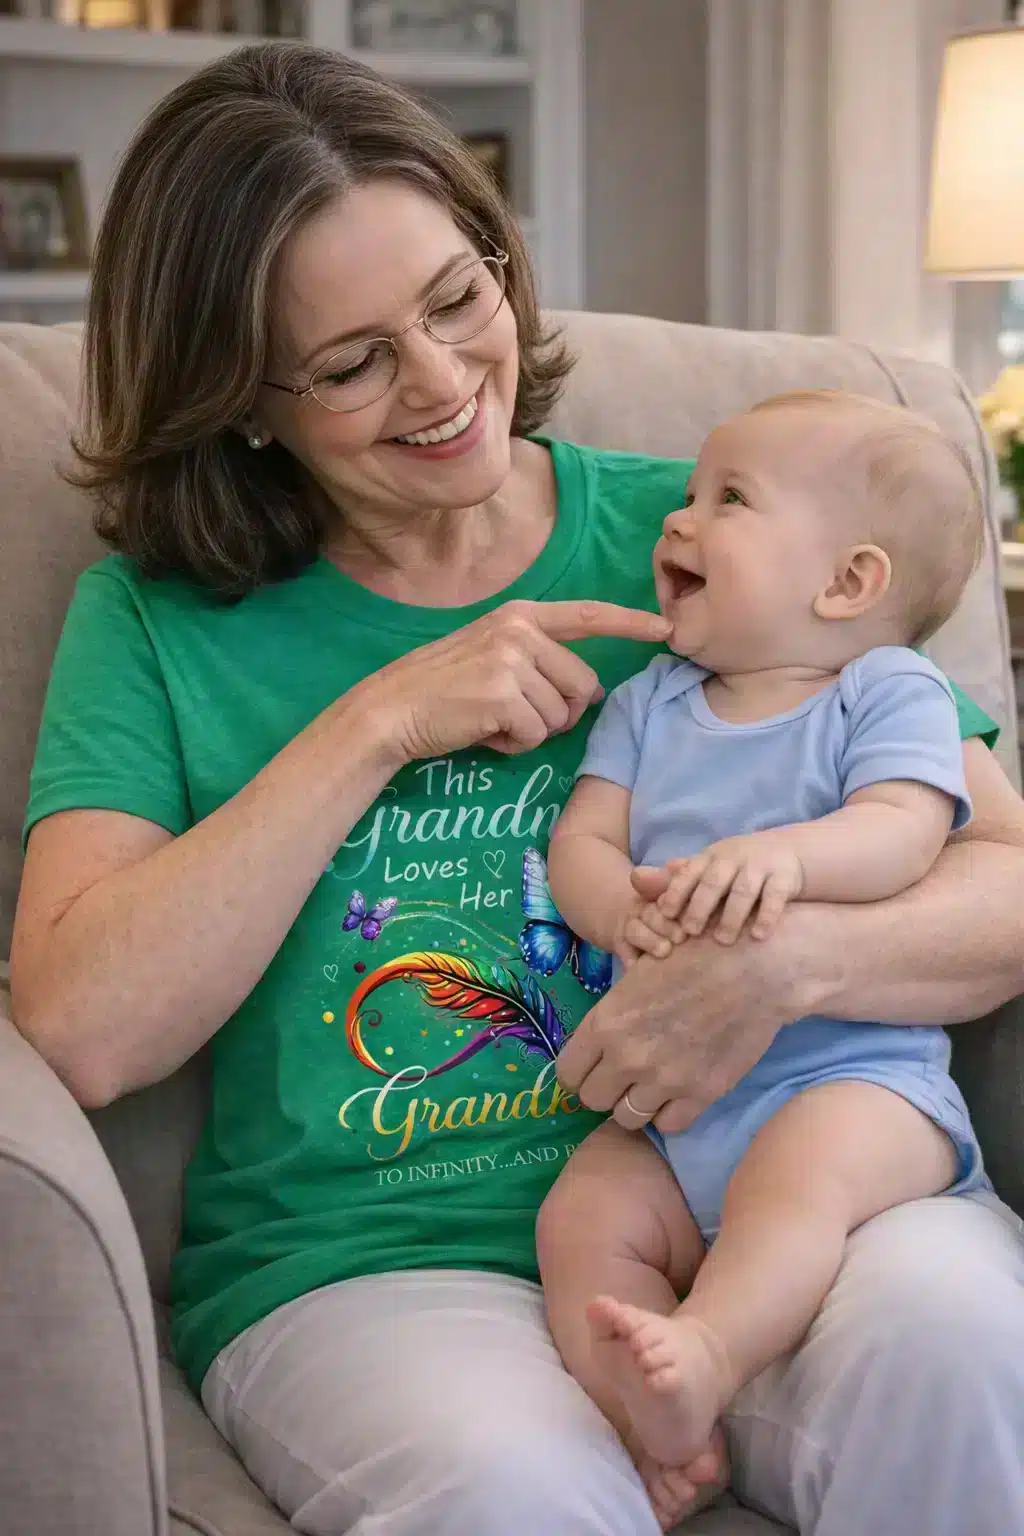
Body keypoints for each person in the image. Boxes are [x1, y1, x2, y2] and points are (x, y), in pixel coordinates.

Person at [8, 41, 1024, 1536]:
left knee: (964, 1342)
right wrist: (376, 722)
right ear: (242, 402)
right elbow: (82, 1028)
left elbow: (999, 877)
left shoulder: (714, 536)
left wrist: (783, 966)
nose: (443, 386)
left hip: (771, 1196)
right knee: (515, 1487)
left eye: (457, 300)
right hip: (374, 1265)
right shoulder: (160, 619)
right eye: (353, 365)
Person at [542, 389, 989, 1529]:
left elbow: (904, 825)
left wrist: (785, 861)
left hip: (851, 1082)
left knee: (792, 1193)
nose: (678, 524)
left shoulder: (886, 691)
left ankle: (706, 1351)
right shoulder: (650, 702)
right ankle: (645, 1414)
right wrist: (612, 915)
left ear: (846, 583)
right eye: (688, 497)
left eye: (726, 500)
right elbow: (584, 838)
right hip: (677, 1104)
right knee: (579, 1223)